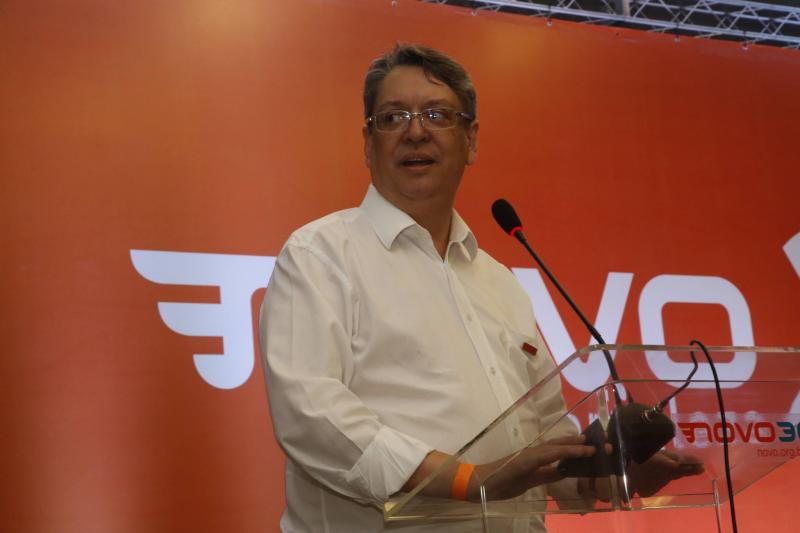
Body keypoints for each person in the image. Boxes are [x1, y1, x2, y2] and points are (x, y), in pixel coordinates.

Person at [259, 44, 699, 533]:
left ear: (470, 140)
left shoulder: (500, 282)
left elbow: (544, 433)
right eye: (393, 117)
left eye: (437, 115)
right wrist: (469, 479)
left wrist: (607, 477)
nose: (415, 131)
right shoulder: (321, 254)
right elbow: (311, 414)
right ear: (368, 142)